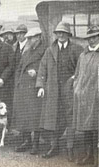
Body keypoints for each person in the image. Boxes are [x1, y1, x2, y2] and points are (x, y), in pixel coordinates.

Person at [36, 21, 83, 159]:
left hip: (70, 90)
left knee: (70, 119)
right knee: (54, 118)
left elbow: (81, 69)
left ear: (68, 34)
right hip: (53, 91)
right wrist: (40, 86)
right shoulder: (50, 50)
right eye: (58, 33)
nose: (60, 35)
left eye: (63, 33)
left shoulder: (76, 49)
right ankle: (54, 147)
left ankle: (70, 149)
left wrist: (75, 79)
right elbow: (42, 69)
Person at [11, 28, 46, 155]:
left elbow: (46, 67)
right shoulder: (27, 52)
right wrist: (17, 84)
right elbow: (19, 69)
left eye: (31, 38)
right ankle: (26, 141)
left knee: (35, 116)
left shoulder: (44, 51)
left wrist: (36, 73)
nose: (29, 40)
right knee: (24, 115)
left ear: (38, 38)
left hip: (34, 88)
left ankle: (35, 143)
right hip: (22, 88)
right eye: (28, 38)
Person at [72, 24, 99, 167]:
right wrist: (77, 89)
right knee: (87, 128)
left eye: (94, 37)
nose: (92, 40)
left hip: (97, 97)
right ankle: (89, 156)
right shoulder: (83, 55)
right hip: (85, 97)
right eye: (89, 38)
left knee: (97, 128)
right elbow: (77, 75)